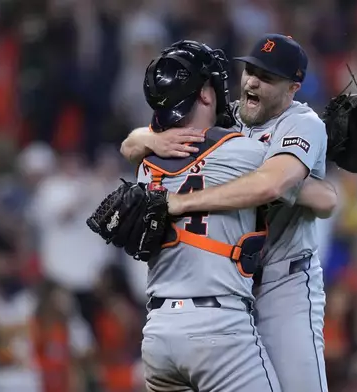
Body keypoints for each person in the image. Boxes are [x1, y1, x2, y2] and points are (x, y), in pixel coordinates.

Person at [123, 34, 336, 392]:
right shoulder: (231, 116)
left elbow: (293, 190)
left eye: (266, 77)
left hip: (283, 281)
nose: (251, 81)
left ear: (293, 88)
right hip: (232, 283)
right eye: (250, 71)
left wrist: (181, 203)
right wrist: (149, 139)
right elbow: (130, 144)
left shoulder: (303, 124)